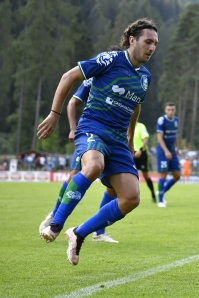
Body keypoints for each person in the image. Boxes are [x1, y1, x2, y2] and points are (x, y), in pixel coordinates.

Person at [37, 19, 158, 265]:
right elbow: (68, 76)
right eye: (148, 41)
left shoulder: (145, 77)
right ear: (132, 40)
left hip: (117, 139)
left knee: (131, 198)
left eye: (155, 43)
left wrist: (129, 137)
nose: (152, 47)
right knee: (92, 167)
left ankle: (79, 234)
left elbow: (136, 107)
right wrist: (54, 114)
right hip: (93, 127)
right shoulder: (109, 60)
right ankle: (56, 221)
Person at [39, 47, 126, 243]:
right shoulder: (94, 76)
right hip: (91, 133)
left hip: (112, 138)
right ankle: (55, 215)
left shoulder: (125, 83)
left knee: (113, 189)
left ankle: (99, 232)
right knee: (75, 175)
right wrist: (72, 128)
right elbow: (72, 103)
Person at [156, 102, 181, 208]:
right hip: (162, 150)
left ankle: (161, 191)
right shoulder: (161, 120)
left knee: (177, 175)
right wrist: (166, 151)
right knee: (163, 175)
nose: (171, 111)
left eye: (172, 109)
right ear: (165, 110)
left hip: (171, 149)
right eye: (169, 110)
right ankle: (160, 200)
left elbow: (174, 134)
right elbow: (159, 138)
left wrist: (177, 146)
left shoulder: (176, 120)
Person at [133, 120, 157, 203]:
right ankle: (133, 196)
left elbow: (145, 140)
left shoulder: (141, 126)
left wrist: (140, 150)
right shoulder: (126, 126)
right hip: (131, 154)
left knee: (145, 175)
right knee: (131, 175)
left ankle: (153, 193)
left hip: (142, 153)